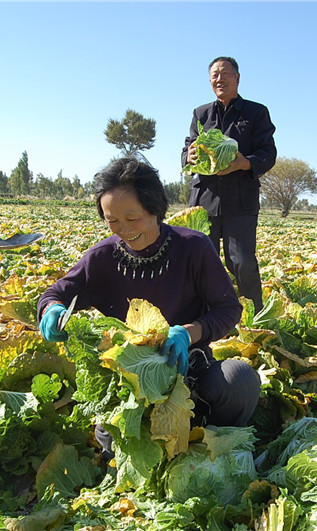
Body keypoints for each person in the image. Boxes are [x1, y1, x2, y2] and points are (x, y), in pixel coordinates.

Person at [37, 158, 261, 456]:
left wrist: (187, 333)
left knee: (240, 381)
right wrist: (50, 309)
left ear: (155, 208)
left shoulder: (194, 247)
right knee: (116, 447)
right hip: (130, 385)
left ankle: (209, 445)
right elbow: (58, 292)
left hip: (189, 371)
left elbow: (228, 309)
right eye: (111, 220)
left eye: (133, 218)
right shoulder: (102, 257)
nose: (124, 229)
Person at [181, 56, 277, 312]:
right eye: (214, 75)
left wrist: (245, 163)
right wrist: (188, 156)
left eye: (225, 73)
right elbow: (187, 149)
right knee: (201, 262)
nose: (219, 79)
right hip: (204, 201)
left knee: (242, 262)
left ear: (237, 78)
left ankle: (252, 317)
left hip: (240, 202)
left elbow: (268, 153)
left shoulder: (256, 113)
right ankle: (204, 316)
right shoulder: (201, 113)